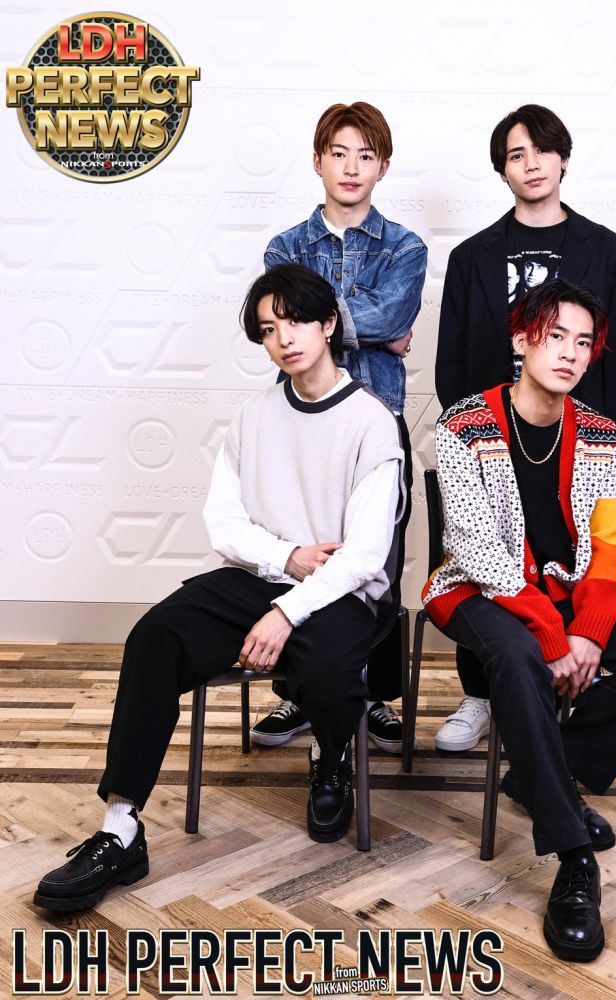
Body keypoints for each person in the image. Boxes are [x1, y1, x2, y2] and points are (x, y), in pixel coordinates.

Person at [34, 264, 405, 912]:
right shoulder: (253, 416)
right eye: (268, 328)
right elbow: (224, 525)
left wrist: (285, 613)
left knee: (329, 671)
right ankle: (120, 829)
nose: (283, 338)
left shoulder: (371, 422)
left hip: (340, 592)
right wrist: (285, 557)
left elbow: (365, 555)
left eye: (295, 320)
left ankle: (330, 752)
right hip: (262, 575)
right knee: (155, 636)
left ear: (327, 324)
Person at [423, 279, 616, 962]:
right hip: (476, 589)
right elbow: (475, 548)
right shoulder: (462, 426)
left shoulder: (599, 433)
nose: (569, 352)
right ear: (521, 339)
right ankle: (573, 859)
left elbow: (609, 545)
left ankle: (539, 777)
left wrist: (587, 630)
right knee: (516, 660)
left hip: (564, 592)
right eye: (554, 336)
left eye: (583, 342)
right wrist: (551, 636)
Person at [434, 104, 616, 755]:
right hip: (491, 444)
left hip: (571, 446)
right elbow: (452, 364)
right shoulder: (472, 256)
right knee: (484, 559)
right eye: (515, 155)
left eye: (542, 151)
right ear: (502, 170)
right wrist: (474, 443)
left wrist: (597, 450)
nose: (530, 164)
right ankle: (481, 692)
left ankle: (563, 690)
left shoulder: (606, 250)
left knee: (570, 561)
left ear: (563, 159)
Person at [254, 101, 427, 755]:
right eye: (338, 153)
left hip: (377, 421)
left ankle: (373, 696)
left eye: (365, 155)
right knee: (303, 551)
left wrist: (330, 319)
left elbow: (390, 315)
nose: (351, 167)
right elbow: (295, 323)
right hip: (299, 424)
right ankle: (300, 692)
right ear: (317, 161)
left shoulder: (406, 247)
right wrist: (374, 327)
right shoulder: (285, 248)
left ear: (383, 166)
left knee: (376, 560)